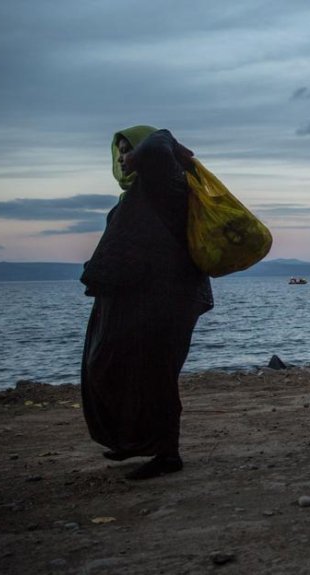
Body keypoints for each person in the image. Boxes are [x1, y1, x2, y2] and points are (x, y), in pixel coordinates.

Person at [80, 126, 213, 480]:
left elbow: (157, 142)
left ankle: (167, 453)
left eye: (130, 148)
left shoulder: (165, 183)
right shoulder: (139, 193)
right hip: (134, 297)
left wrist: (165, 141)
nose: (125, 157)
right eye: (121, 151)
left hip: (166, 298)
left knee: (156, 374)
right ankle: (134, 440)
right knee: (109, 365)